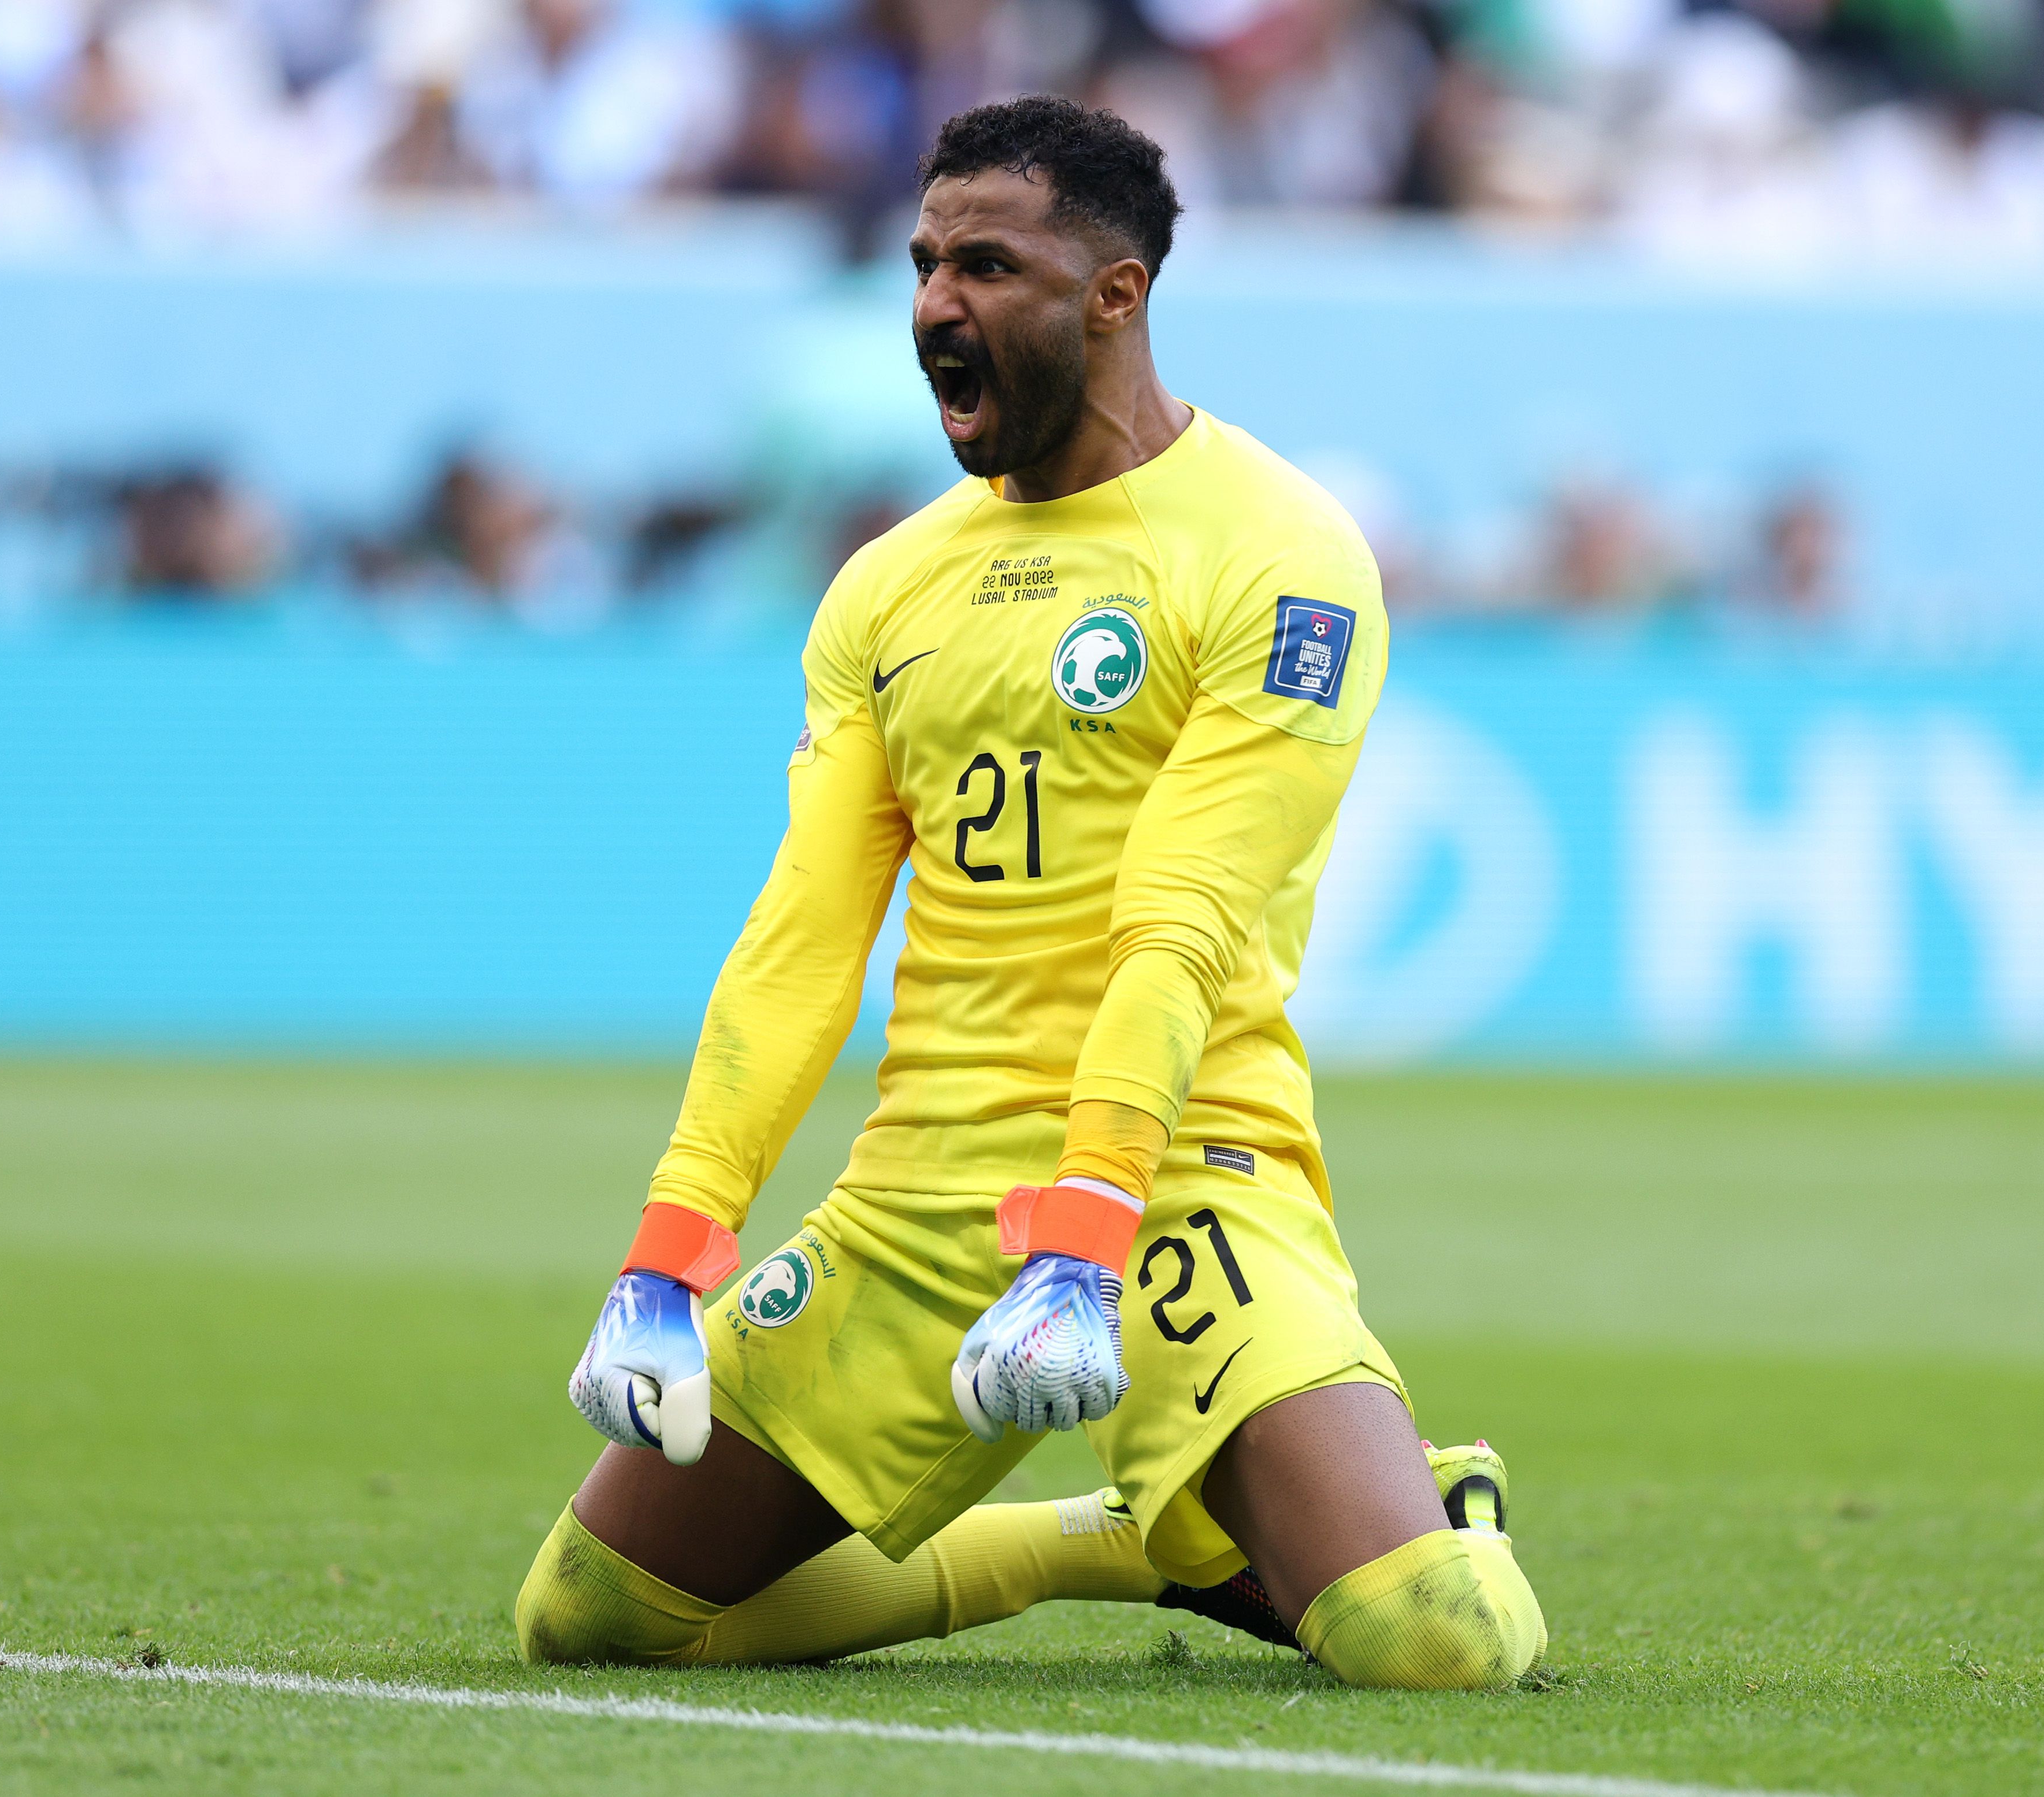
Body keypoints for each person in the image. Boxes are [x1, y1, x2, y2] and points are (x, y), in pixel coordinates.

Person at [513, 94, 1546, 1691]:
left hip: (1180, 1181)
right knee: (590, 1619)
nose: (937, 305)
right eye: (924, 266)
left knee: (1433, 1643)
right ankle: (1106, 1545)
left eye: (986, 266)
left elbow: (1182, 923)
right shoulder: (887, 586)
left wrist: (1083, 1238)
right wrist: (673, 1250)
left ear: (1114, 297)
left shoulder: (1278, 551)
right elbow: (802, 945)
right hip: (923, 1199)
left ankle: (1439, 1506)